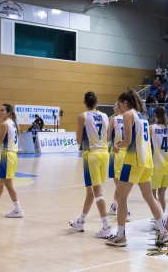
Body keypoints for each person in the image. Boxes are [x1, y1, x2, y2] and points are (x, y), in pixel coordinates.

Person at [106, 90, 168, 247]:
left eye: (120, 104)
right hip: (146, 161)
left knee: (121, 198)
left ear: (126, 103)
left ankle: (121, 236)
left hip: (133, 161)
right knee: (149, 197)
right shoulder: (143, 116)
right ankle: (163, 233)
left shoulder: (129, 114)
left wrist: (117, 146)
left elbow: (127, 141)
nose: (119, 107)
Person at [69, 92, 113, 239]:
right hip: (104, 153)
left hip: (92, 155)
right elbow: (107, 136)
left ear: (84, 102)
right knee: (91, 191)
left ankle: (106, 226)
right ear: (97, 102)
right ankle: (80, 221)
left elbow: (78, 140)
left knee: (97, 190)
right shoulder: (105, 116)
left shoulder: (82, 116)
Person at [107, 102, 130, 220]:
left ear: (119, 108)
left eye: (115, 106)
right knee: (121, 182)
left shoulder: (113, 119)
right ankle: (114, 206)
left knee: (118, 183)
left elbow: (107, 137)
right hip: (127, 152)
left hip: (116, 151)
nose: (113, 107)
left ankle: (126, 208)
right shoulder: (129, 118)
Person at [150, 107, 168, 213]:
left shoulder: (152, 127)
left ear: (155, 115)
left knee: (152, 195)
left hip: (157, 165)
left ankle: (158, 217)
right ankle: (162, 216)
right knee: (162, 195)